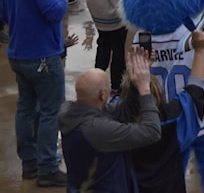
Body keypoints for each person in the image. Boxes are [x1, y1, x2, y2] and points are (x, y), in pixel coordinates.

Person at [0, 0, 72, 187]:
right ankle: (47, 168)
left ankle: (29, 164)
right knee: (50, 113)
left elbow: (4, 16)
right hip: (43, 57)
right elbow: (55, 12)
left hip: (19, 54)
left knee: (25, 109)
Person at [58, 47, 162, 192]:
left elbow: (125, 112)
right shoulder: (97, 129)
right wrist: (145, 88)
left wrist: (134, 82)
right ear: (102, 95)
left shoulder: (73, 112)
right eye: (108, 87)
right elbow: (152, 132)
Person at [119, 31, 204, 193]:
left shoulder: (115, 121)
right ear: (158, 94)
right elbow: (195, 92)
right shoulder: (171, 118)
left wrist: (135, 73)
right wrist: (200, 51)